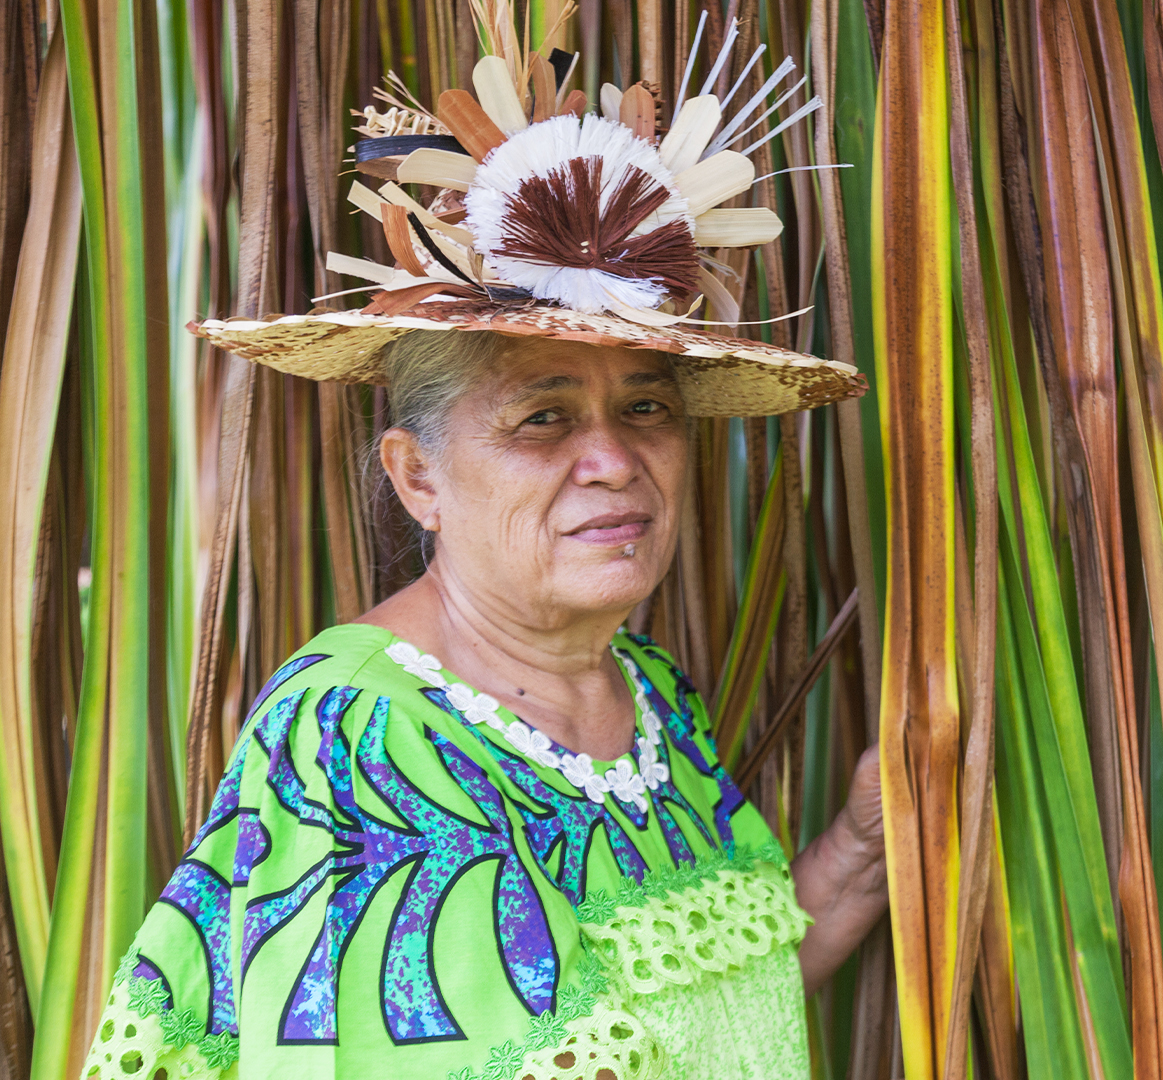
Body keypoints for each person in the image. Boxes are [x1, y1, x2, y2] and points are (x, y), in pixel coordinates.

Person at [81, 18, 880, 1080]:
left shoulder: (646, 697)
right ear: (419, 479)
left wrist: (862, 854)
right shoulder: (364, 736)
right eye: (543, 418)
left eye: (646, 407)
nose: (612, 460)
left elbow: (722, 1015)